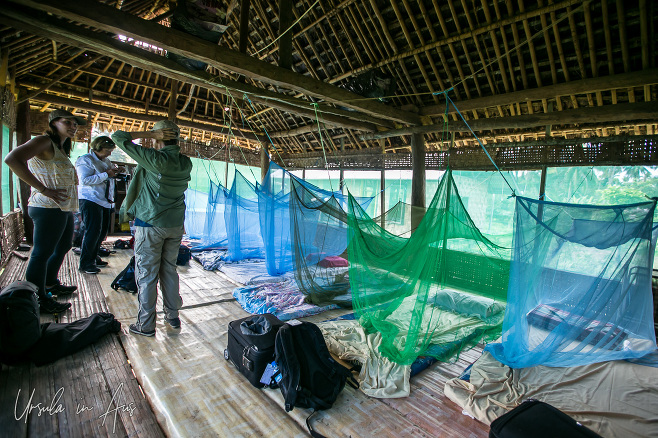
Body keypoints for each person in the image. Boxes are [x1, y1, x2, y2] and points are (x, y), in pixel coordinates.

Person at [111, 120, 192, 337]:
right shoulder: (186, 162)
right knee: (169, 270)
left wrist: (147, 132)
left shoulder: (153, 159)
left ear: (158, 137)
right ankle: (172, 316)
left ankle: (146, 325)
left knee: (146, 274)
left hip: (151, 224)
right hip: (175, 225)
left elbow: (118, 136)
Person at [4, 109, 85, 314]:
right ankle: (36, 299)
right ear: (53, 123)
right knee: (41, 253)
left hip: (62, 207)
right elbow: (12, 159)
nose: (73, 127)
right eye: (68, 122)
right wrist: (43, 189)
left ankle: (49, 282)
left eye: (75, 124)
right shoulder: (44, 141)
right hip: (46, 207)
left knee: (65, 244)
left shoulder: (60, 147)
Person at [75, 136, 122, 274]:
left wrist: (116, 172)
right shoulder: (85, 160)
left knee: (101, 232)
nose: (110, 153)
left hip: (104, 200)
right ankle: (85, 264)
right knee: (92, 231)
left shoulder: (105, 161)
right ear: (98, 148)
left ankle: (94, 257)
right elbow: (85, 180)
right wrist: (106, 174)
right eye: (108, 150)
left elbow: (108, 176)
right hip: (90, 199)